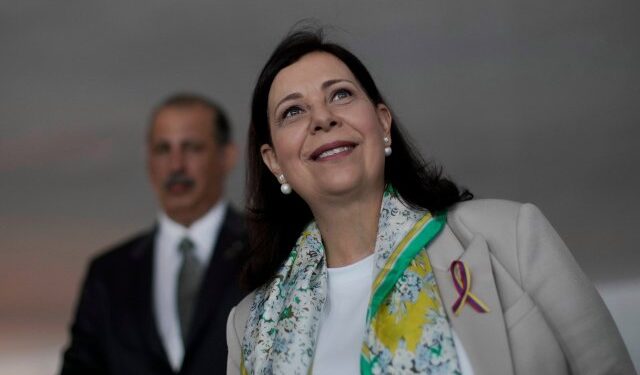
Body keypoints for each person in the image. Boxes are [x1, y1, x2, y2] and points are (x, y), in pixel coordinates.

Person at [226, 29, 635, 375]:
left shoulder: (510, 236)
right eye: (293, 111)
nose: (322, 118)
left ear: (382, 124)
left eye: (341, 95)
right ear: (274, 161)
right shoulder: (248, 326)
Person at [61, 93, 248, 375]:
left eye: (192, 148)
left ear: (227, 156)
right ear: (148, 160)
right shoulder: (108, 275)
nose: (176, 166)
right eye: (163, 149)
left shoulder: (270, 250)